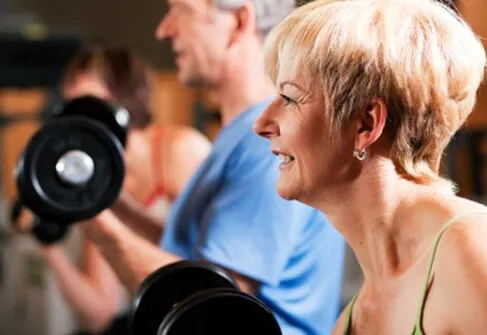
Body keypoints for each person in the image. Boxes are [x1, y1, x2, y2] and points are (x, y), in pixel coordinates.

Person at [80, 1, 347, 334]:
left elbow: (212, 305)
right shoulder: (240, 134)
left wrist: (97, 223)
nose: (164, 30)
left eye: (182, 10)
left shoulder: (265, 143)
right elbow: (192, 254)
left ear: (238, 23)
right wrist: (116, 208)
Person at [254, 0, 487, 334]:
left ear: (366, 124)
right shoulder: (351, 322)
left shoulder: (472, 252)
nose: (262, 124)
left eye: (291, 98)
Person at [24, 45, 212, 334]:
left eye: (88, 102)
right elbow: (99, 313)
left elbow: (212, 274)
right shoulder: (96, 178)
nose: (78, 118)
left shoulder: (178, 150)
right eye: (71, 105)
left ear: (123, 99)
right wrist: (48, 246)